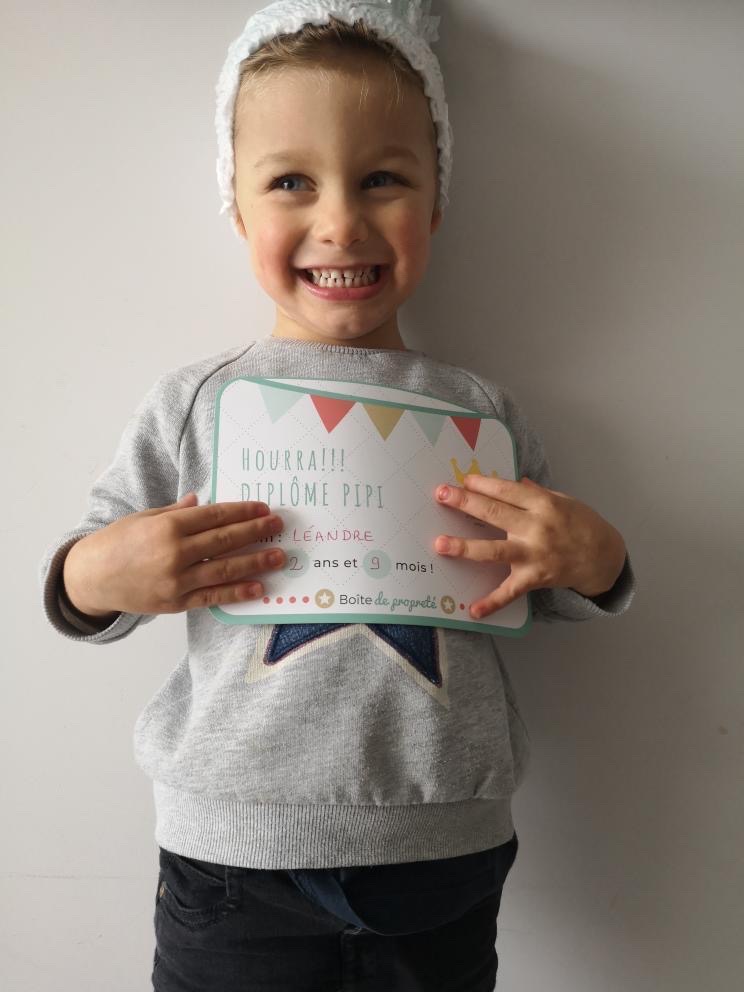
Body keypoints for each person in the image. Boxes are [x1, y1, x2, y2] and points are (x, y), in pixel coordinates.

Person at [38, 2, 636, 989]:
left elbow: (549, 588)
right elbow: (85, 581)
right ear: (236, 205)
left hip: (443, 850)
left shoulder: (480, 410)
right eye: (290, 182)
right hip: (232, 857)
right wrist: (97, 572)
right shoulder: (195, 401)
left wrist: (596, 558)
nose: (341, 223)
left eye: (383, 179)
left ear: (436, 202)